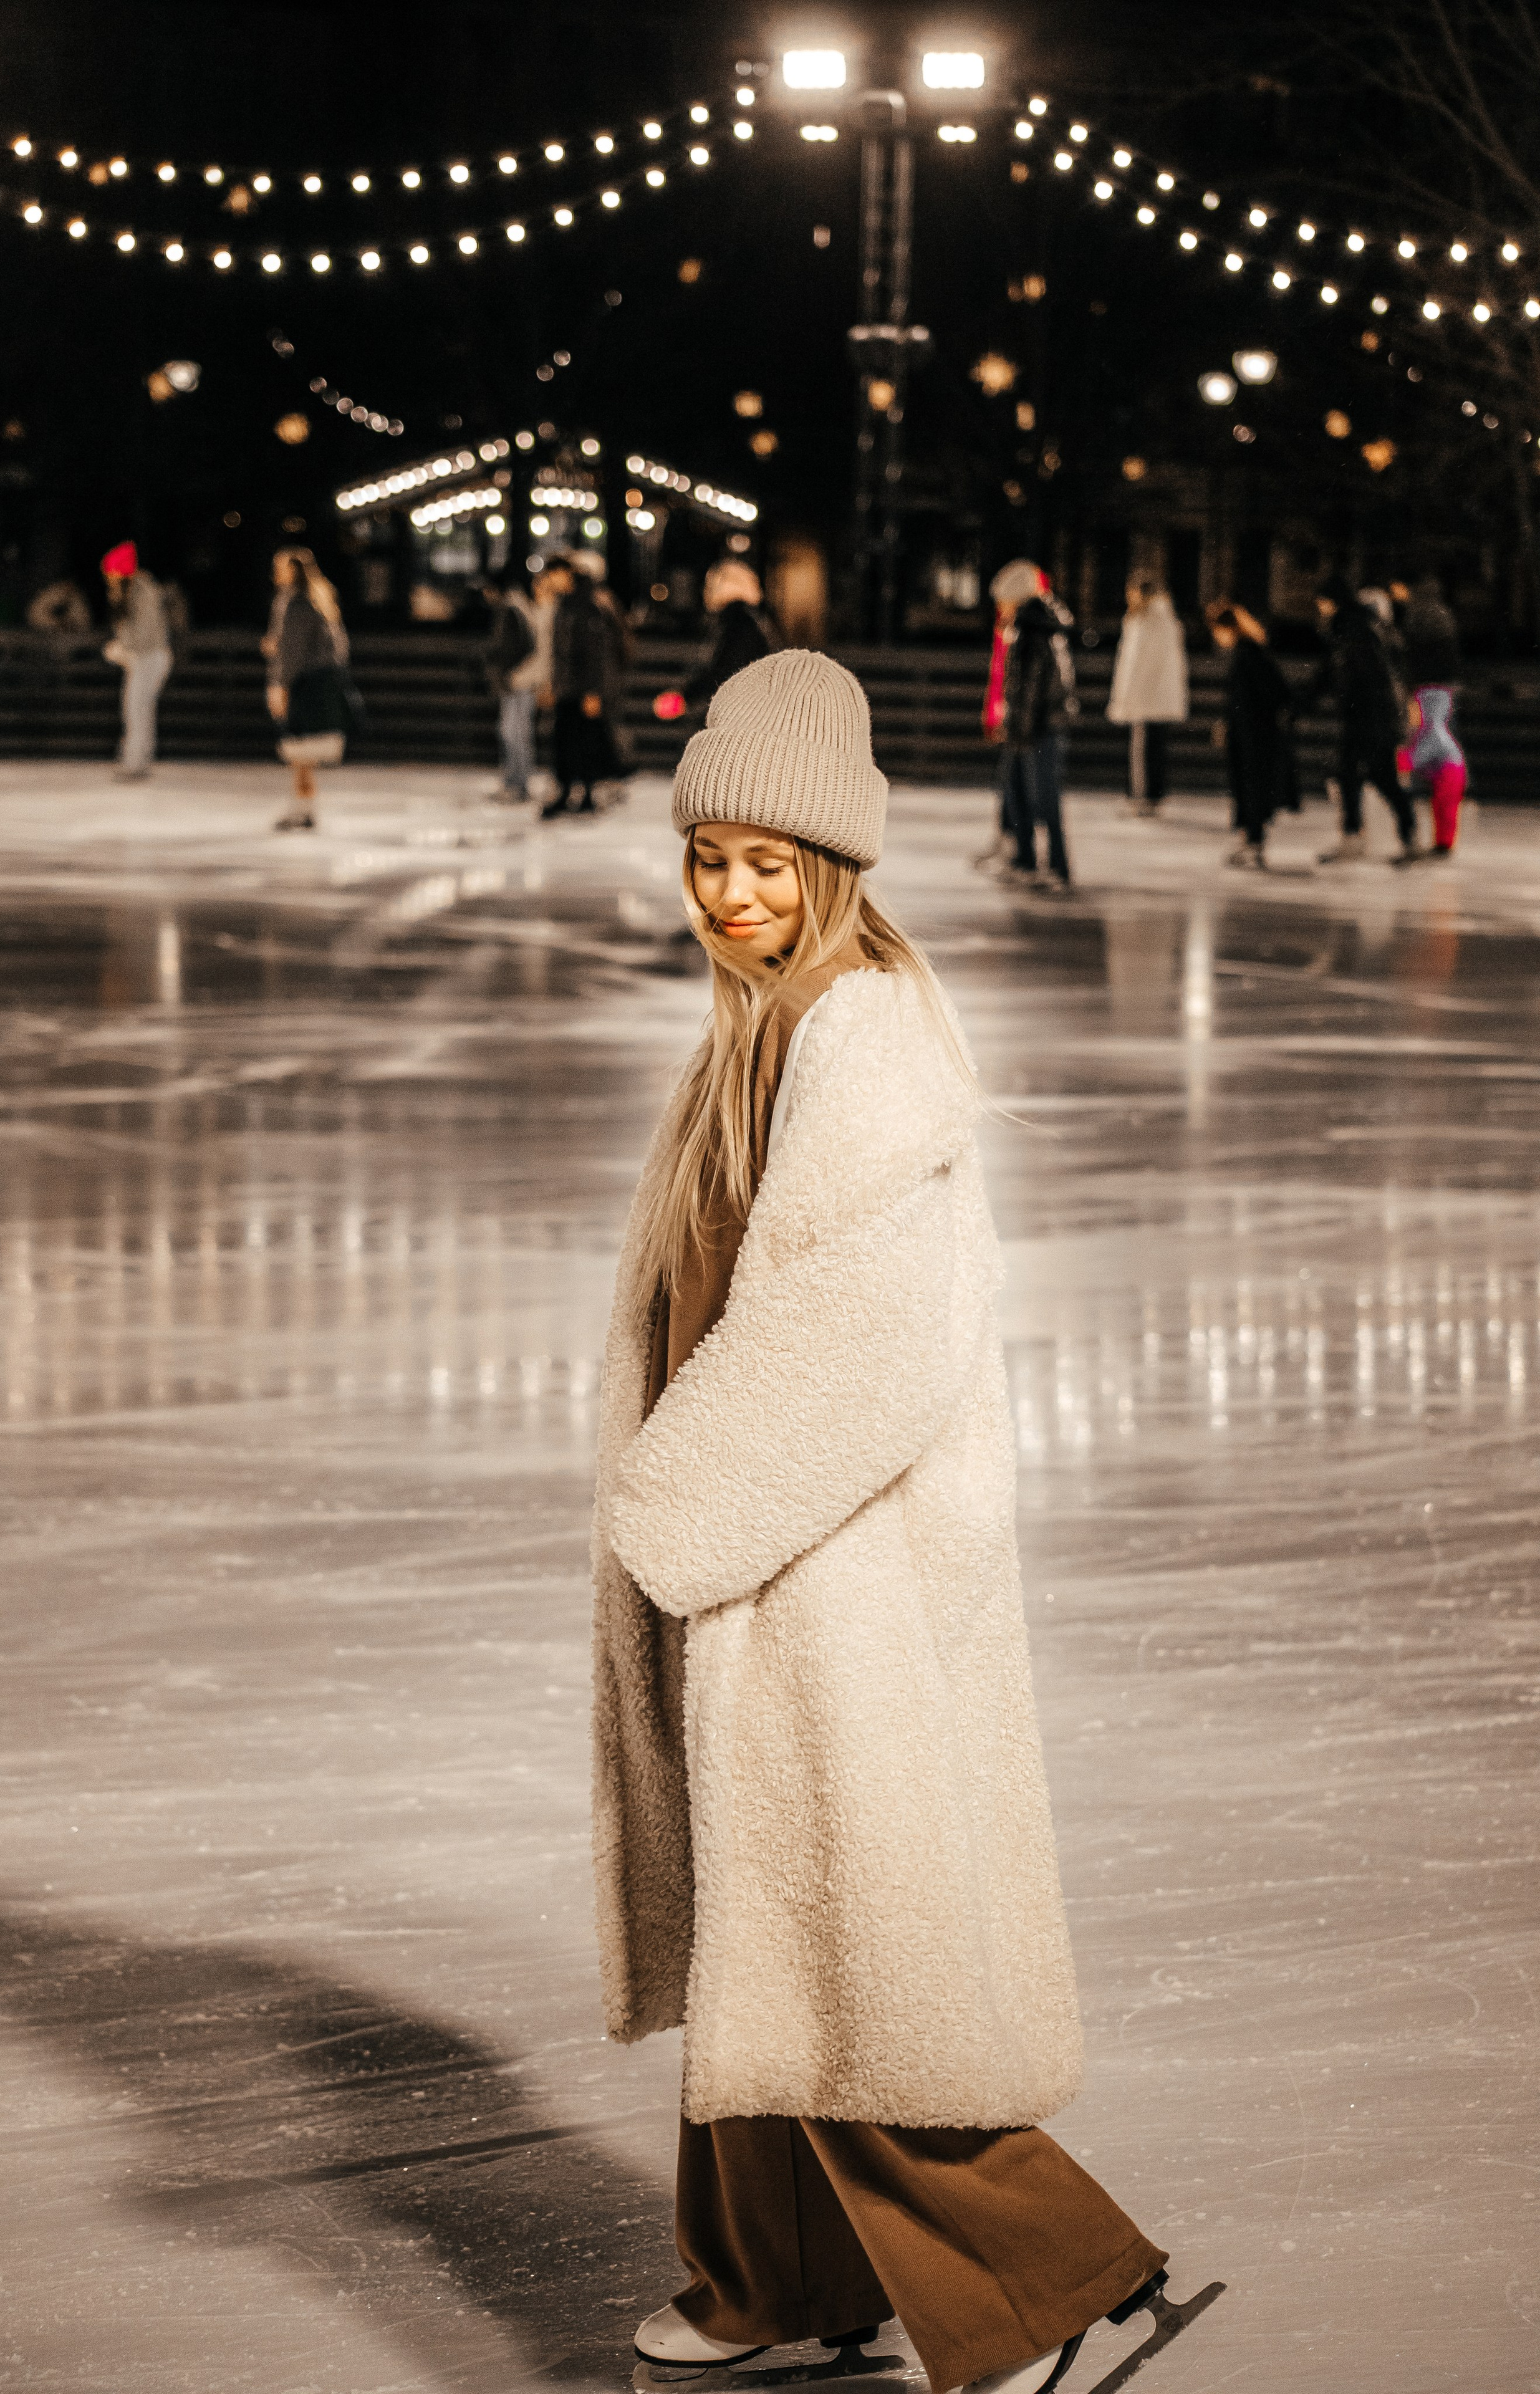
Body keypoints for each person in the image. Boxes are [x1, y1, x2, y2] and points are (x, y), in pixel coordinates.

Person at [592, 647, 1173, 2394]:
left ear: (834, 869)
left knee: (849, 1961)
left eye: (771, 865)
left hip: (821, 1549)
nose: (734, 895)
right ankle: (773, 2282)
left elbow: (868, 1340)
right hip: (760, 1542)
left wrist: (673, 1502)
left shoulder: (863, 1037)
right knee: (763, 1943)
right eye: (710, 858)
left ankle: (1062, 2280)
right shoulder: (762, 1024)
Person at [979, 559, 1077, 889]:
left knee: (1045, 800)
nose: (1000, 609)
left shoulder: (1038, 633)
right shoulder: (1025, 631)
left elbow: (1037, 689)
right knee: (1016, 793)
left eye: (1004, 601)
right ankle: (1025, 859)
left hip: (1040, 729)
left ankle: (1058, 867)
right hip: (1026, 727)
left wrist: (1021, 725)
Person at [1309, 576, 1415, 863]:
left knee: (1355, 774)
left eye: (1322, 603)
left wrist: (1308, 701)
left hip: (1370, 717)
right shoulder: (1361, 627)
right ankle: (1401, 836)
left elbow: (1358, 675)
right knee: (1374, 777)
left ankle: (1359, 837)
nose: (1320, 610)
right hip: (1375, 716)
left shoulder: (1355, 630)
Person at [264, 547, 352, 833]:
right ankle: (303, 808)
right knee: (303, 755)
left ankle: (302, 810)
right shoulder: (318, 599)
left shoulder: (297, 603)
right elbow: (338, 647)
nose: (275, 573)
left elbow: (293, 652)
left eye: (280, 568)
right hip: (319, 681)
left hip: (306, 684)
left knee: (300, 752)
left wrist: (280, 685)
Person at [1208, 602, 1293, 870]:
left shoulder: (1246, 655)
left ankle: (1253, 844)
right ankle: (1249, 842)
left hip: (1251, 734)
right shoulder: (1252, 652)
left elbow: (1244, 699)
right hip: (1255, 732)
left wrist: (1232, 725)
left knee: (1250, 787)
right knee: (1250, 787)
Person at [654, 559, 781, 723]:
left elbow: (726, 671)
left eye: (711, 584)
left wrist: (687, 697)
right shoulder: (752, 622)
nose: (706, 591)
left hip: (739, 715)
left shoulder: (738, 624)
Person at [1106, 575, 1187, 813]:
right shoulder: (1167, 618)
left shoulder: (1145, 620)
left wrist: (1125, 698)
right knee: (1156, 748)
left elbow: (1134, 663)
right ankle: (1153, 796)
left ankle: (1143, 797)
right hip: (1160, 696)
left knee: (1144, 749)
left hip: (1146, 696)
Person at [542, 560, 615, 819]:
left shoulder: (587, 606)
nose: (550, 580)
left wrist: (593, 692)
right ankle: (565, 792)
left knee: (584, 742)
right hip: (566, 688)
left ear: (565, 574)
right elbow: (559, 652)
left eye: (553, 574)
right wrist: (553, 683)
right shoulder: (566, 604)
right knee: (564, 743)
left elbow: (595, 653)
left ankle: (586, 794)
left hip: (582, 690)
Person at [100, 542, 173, 781]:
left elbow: (145, 633)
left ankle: (135, 764)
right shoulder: (135, 590)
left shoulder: (141, 592)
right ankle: (137, 761)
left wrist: (122, 649)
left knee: (136, 710)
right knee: (139, 710)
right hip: (146, 657)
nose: (108, 578)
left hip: (150, 657)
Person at [572, 547, 635, 800]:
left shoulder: (596, 605)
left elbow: (602, 649)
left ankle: (613, 778)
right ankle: (609, 779)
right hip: (609, 679)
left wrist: (596, 687)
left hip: (603, 681)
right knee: (604, 730)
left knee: (603, 731)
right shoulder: (606, 602)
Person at [488, 574, 546, 802]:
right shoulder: (524, 607)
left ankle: (518, 783)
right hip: (522, 679)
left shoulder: (513, 608)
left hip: (520, 681)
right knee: (513, 732)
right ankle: (516, 781)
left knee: (515, 733)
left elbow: (525, 645)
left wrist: (509, 670)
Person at [1395, 685, 1468, 861]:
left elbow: (1417, 757)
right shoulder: (1425, 731)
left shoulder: (1434, 733)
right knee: (1440, 808)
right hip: (1446, 773)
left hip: (1450, 773)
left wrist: (1399, 761)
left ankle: (1444, 846)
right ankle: (1442, 844)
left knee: (1445, 808)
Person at [27, 578, 92, 634]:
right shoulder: (52, 594)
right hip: (43, 631)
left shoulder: (76, 599)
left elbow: (82, 622)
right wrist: (58, 624)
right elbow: (36, 615)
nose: (69, 587)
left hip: (74, 636)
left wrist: (67, 624)